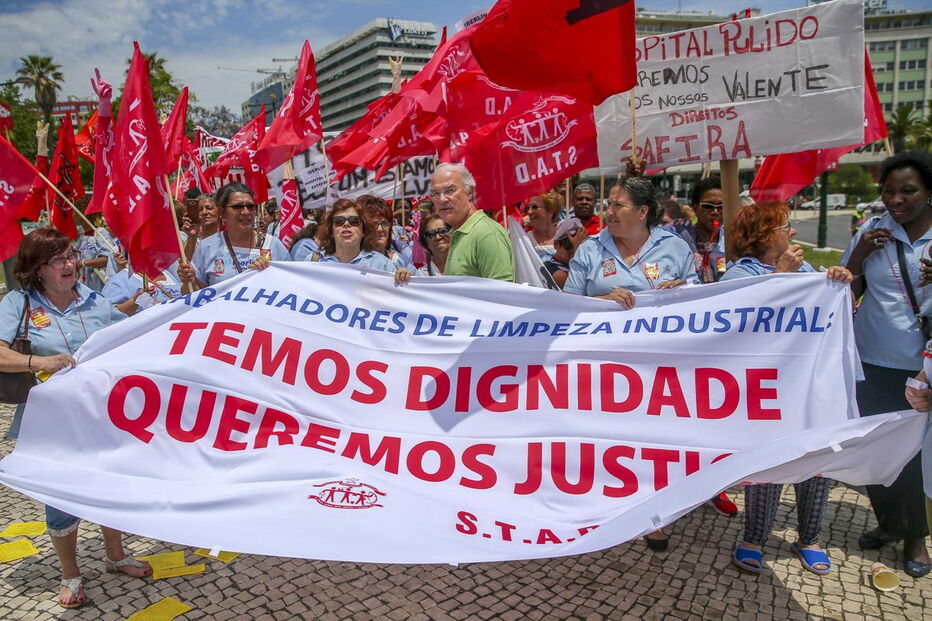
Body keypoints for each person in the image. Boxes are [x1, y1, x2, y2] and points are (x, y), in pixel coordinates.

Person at [0, 228, 152, 608]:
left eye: (70, 256)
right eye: (58, 260)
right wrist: (38, 361)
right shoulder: (18, 303)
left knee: (109, 485)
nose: (69, 264)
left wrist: (160, 304)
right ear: (36, 268)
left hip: (100, 416)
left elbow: (128, 333)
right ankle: (70, 574)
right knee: (61, 496)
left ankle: (116, 557)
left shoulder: (93, 300)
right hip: (51, 424)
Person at [721, 202, 853, 575]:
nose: (792, 232)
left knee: (816, 459)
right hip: (766, 388)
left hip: (808, 385)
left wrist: (837, 280)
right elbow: (738, 322)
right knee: (768, 461)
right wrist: (780, 276)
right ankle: (754, 539)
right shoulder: (739, 273)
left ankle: (809, 538)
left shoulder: (808, 271)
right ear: (764, 235)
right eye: (785, 226)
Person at [842, 150, 932, 578]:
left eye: (908, 191)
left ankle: (916, 537)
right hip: (871, 358)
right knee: (876, 447)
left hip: (922, 366)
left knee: (912, 454)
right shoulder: (873, 230)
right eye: (889, 190)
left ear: (928, 192)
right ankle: (890, 523)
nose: (896, 199)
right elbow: (845, 288)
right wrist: (859, 254)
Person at [179, 182, 290, 289]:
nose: (246, 212)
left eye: (250, 206)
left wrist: (270, 274)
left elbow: (291, 285)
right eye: (237, 207)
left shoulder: (274, 245)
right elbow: (193, 294)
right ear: (222, 212)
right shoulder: (207, 247)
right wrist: (189, 281)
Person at [431, 163, 514, 281]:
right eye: (435, 193)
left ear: (469, 192)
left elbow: (502, 289)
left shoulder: (486, 233)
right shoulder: (458, 233)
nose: (442, 199)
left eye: (449, 191)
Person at [310, 198, 411, 284]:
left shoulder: (383, 264)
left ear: (363, 231)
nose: (346, 224)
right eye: (339, 221)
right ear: (331, 231)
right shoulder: (314, 260)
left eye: (354, 221)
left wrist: (404, 279)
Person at [356, 195, 415, 269]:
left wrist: (407, 274)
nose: (380, 229)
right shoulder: (352, 260)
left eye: (384, 223)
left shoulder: (400, 261)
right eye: (374, 224)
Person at [689, 176, 727, 283]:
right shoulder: (682, 241)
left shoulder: (734, 240)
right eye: (708, 206)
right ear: (694, 208)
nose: (715, 212)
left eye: (721, 206)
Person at [543, 217, 587, 289]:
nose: (574, 256)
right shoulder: (559, 274)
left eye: (578, 252)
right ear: (556, 244)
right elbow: (579, 289)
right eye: (570, 253)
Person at [181, 193, 220, 261]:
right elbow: (184, 263)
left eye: (209, 208)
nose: (204, 212)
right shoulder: (193, 241)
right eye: (200, 209)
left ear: (220, 211)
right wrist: (192, 237)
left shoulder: (229, 239)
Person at [527, 193, 562, 260]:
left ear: (550, 211)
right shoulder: (526, 240)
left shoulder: (563, 237)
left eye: (535, 207)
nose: (529, 212)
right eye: (528, 208)